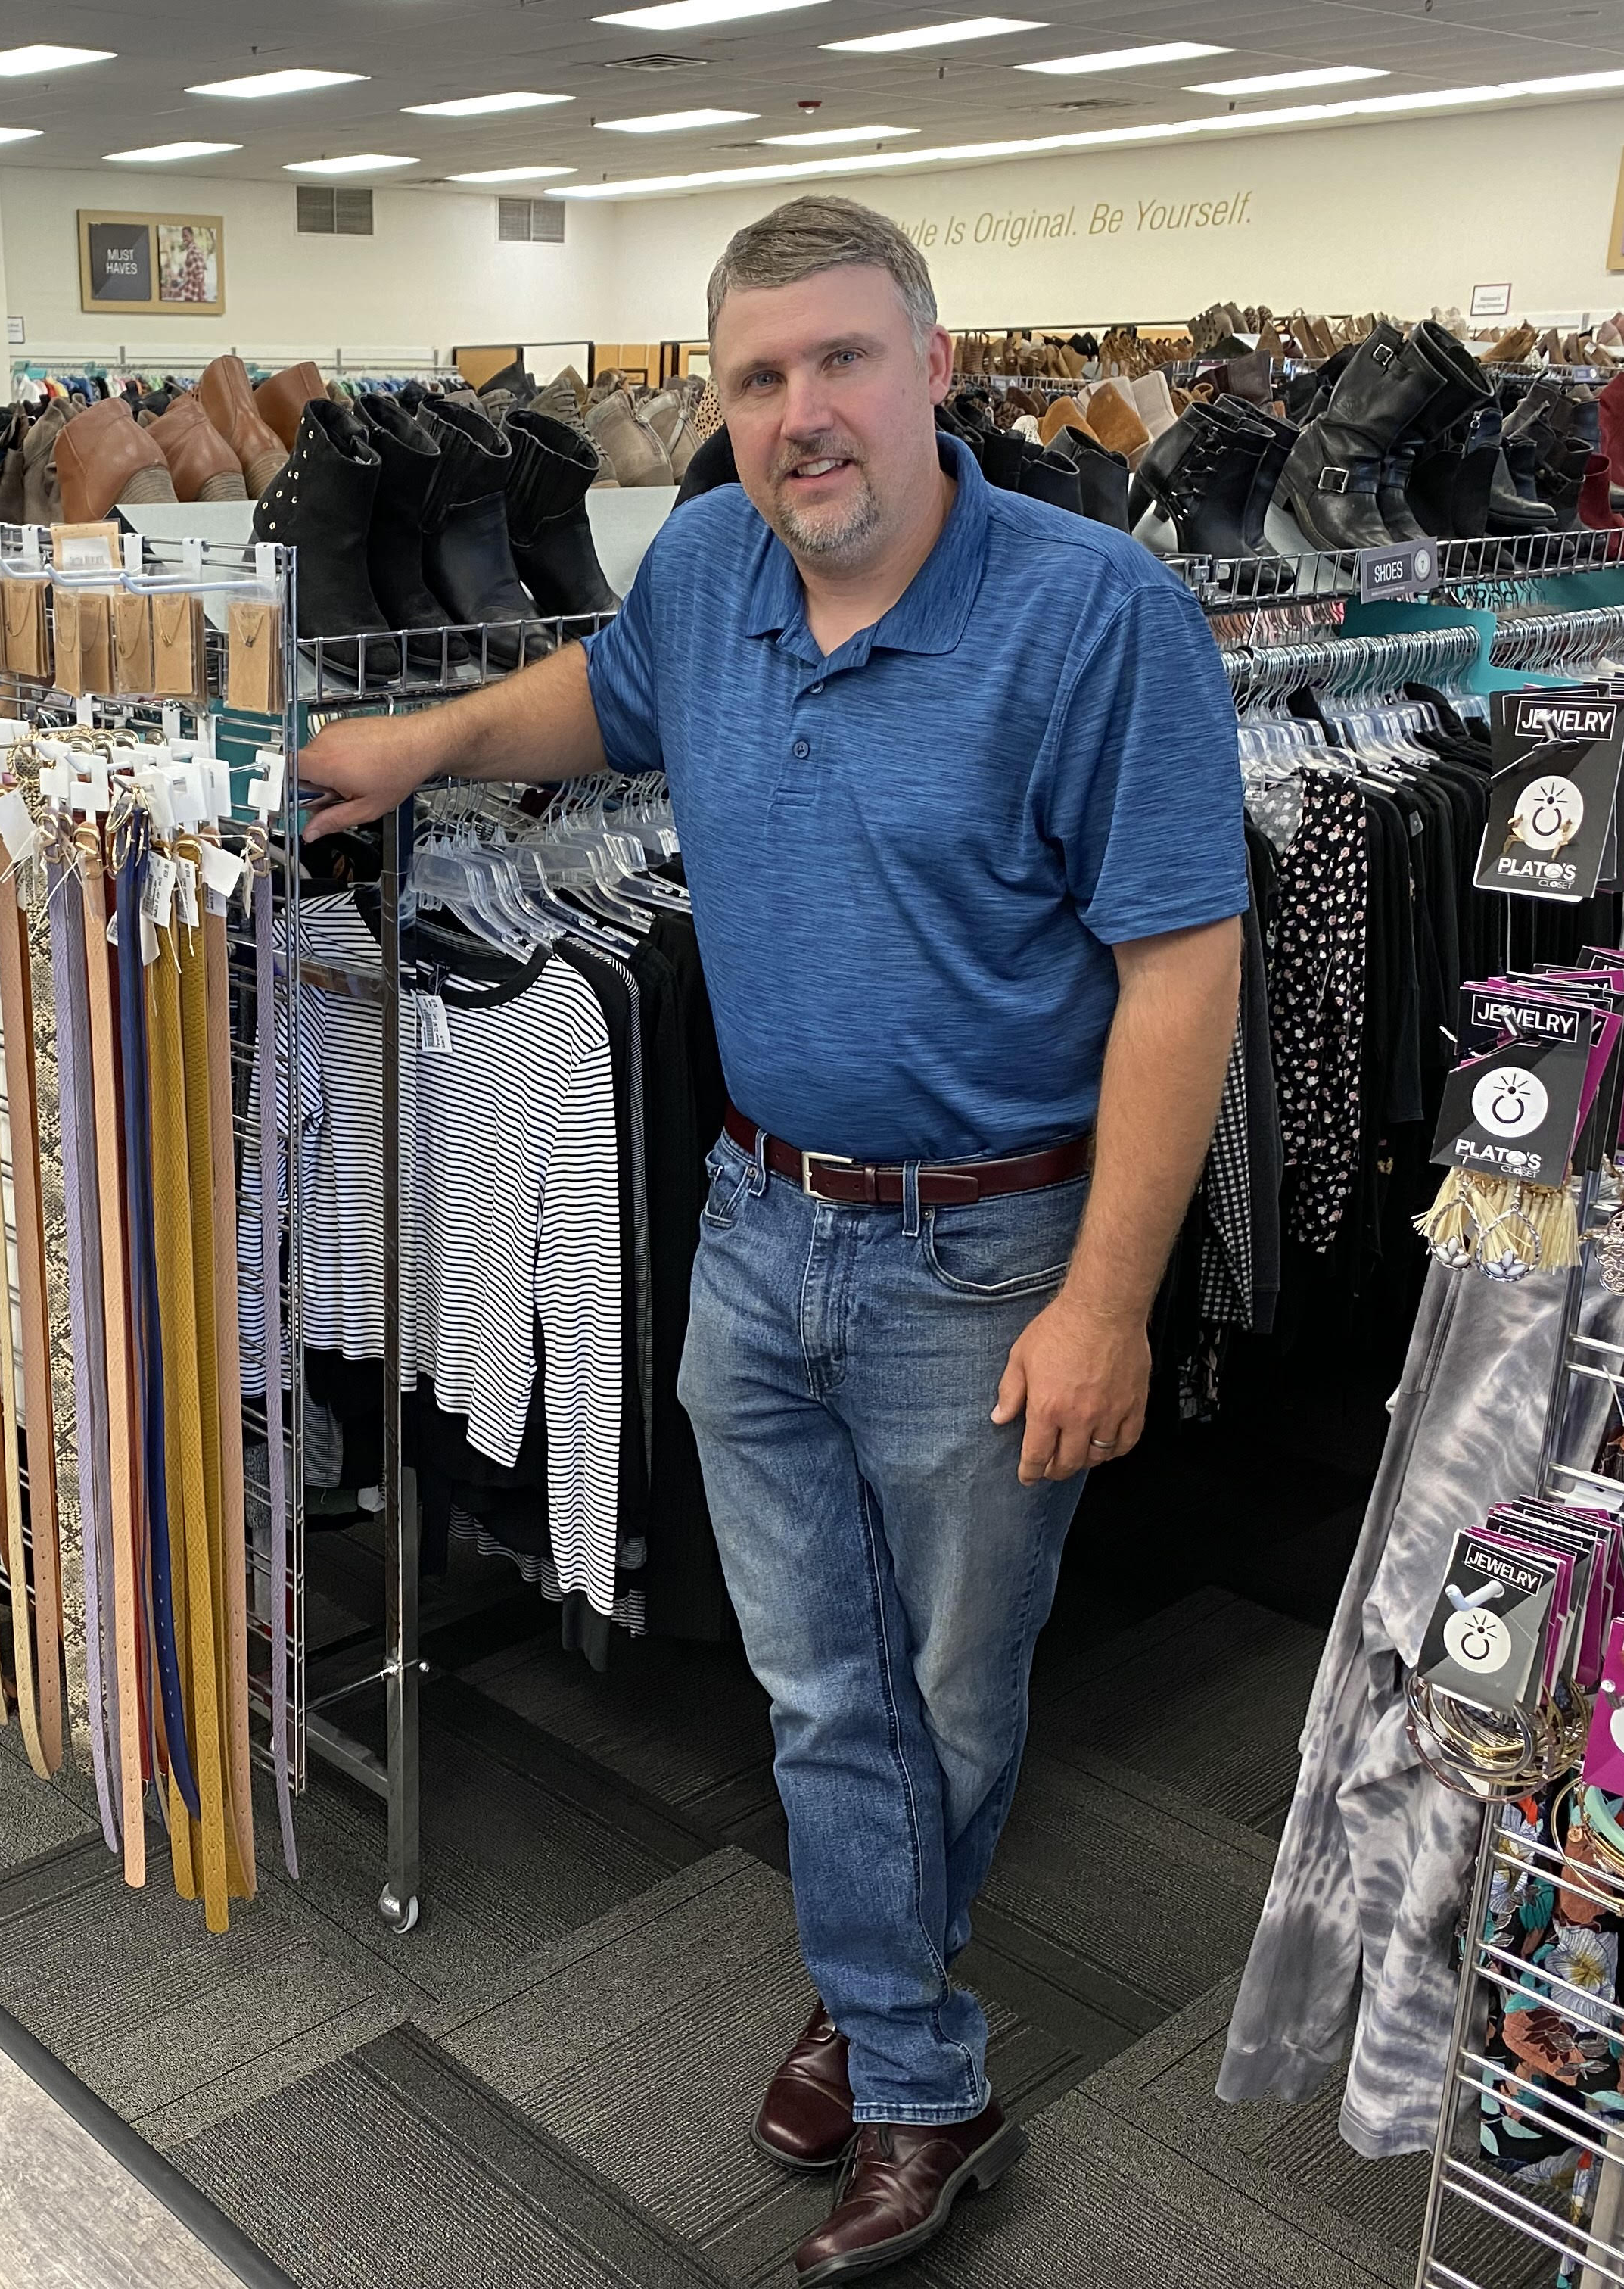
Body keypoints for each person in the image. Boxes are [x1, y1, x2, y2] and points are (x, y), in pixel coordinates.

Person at [298, 195, 1244, 2281]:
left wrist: (1109, 1299)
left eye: (839, 363)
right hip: (753, 1223)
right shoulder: (717, 561)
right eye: (756, 380)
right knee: (824, 1696)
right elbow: (605, 702)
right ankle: (914, 2047)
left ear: (931, 366)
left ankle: (892, 2017)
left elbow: (1183, 975)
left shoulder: (1100, 617)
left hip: (991, 1257)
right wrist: (427, 745)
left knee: (949, 1693)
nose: (801, 415)